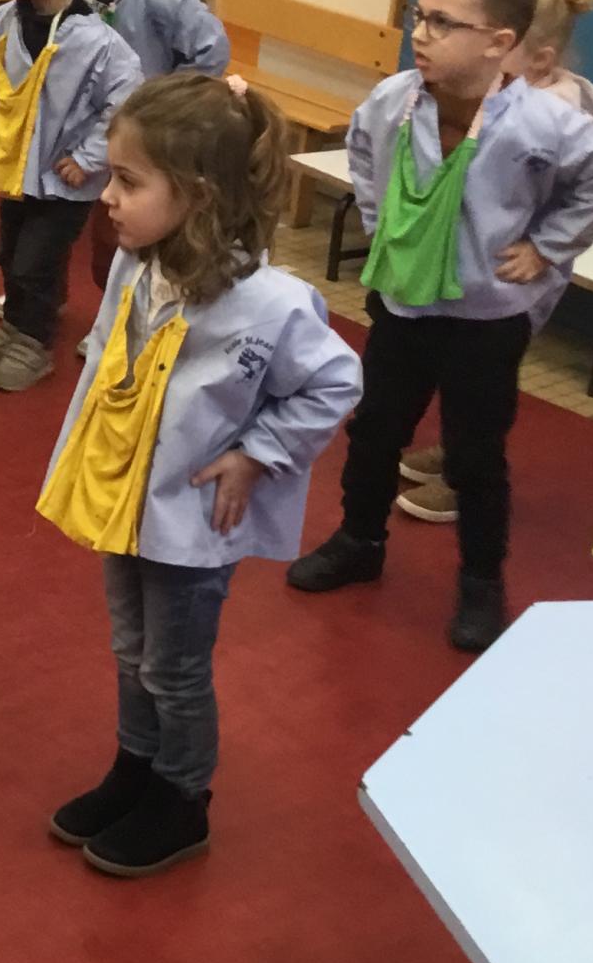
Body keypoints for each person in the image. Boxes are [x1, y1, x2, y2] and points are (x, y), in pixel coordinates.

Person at [40, 75, 360, 876]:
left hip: (191, 519)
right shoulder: (136, 263)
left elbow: (335, 381)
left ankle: (182, 797)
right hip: (125, 495)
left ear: (198, 195)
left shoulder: (273, 304)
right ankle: (135, 766)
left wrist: (258, 452)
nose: (108, 195)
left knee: (173, 666)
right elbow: (111, 351)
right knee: (130, 648)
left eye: (129, 180)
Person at [287, 0, 593, 652]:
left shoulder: (541, 121)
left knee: (474, 455)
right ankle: (360, 539)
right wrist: (380, 221)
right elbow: (362, 150)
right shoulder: (394, 100)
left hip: (485, 318)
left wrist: (548, 245)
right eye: (419, 15)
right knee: (375, 429)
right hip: (404, 305)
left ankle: (481, 581)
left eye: (444, 23)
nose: (420, 34)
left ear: (500, 43)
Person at [397, 0, 593, 522]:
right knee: (455, 370)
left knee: (482, 383)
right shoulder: (506, 95)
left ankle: (466, 478)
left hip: (514, 274)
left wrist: (547, 248)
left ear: (534, 57)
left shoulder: (555, 114)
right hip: (474, 261)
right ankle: (454, 450)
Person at [0, 0, 141, 392]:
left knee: (34, 261)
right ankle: (17, 326)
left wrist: (89, 157)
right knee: (9, 254)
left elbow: (125, 100)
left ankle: (34, 342)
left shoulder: (96, 41)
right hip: (16, 169)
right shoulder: (6, 20)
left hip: (65, 179)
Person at [76, 0, 228, 300]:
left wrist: (169, 104)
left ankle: (133, 308)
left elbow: (212, 49)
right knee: (82, 229)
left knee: (122, 235)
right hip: (89, 126)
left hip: (139, 134)